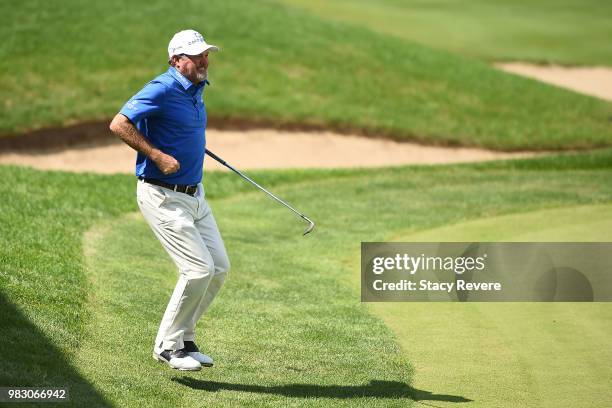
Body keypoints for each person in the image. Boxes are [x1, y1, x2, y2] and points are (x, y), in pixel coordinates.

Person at [109, 29, 230, 371]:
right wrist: (158, 155)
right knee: (197, 269)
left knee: (218, 268)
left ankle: (185, 339)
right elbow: (119, 124)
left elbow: (176, 126)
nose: (204, 60)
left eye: (206, 54)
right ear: (176, 61)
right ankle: (167, 346)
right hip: (162, 195)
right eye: (196, 56)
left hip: (195, 195)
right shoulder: (162, 87)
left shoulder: (197, 90)